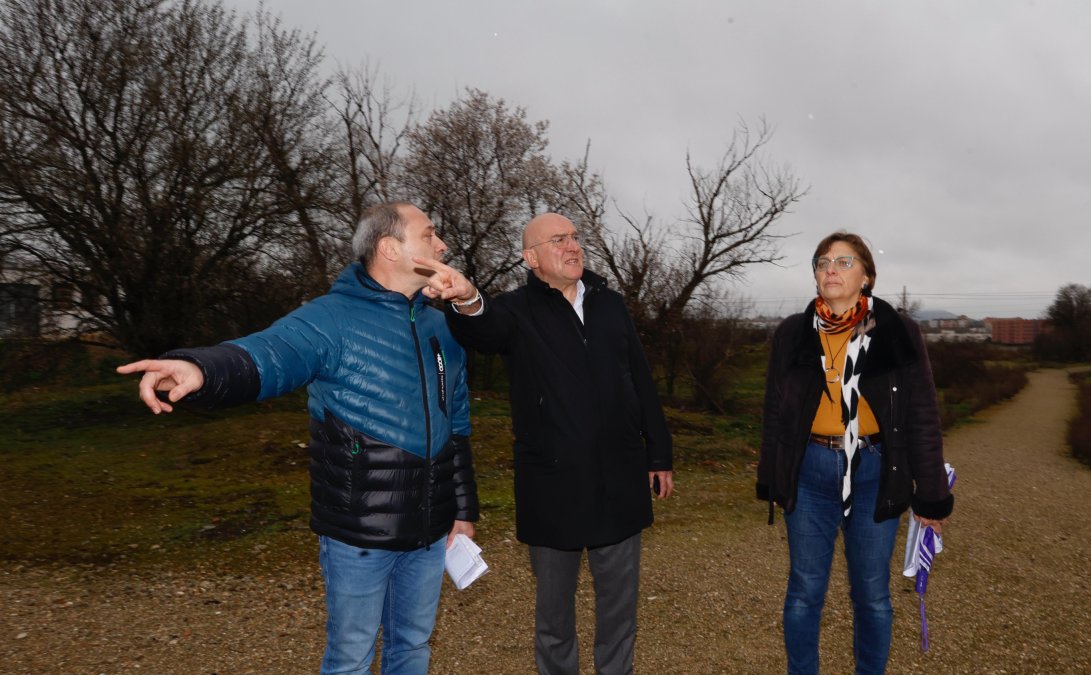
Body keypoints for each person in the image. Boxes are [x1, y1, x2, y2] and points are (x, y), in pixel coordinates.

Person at [116, 202, 478, 675]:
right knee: (350, 659)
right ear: (390, 248)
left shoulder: (442, 327)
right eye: (429, 234)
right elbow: (269, 355)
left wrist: (463, 510)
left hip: (431, 531)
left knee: (412, 647)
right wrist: (201, 369)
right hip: (359, 533)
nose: (442, 245)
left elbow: (457, 425)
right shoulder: (331, 318)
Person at [414, 212, 673, 675]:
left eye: (574, 237)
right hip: (553, 486)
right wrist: (467, 298)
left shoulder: (610, 304)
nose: (573, 246)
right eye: (558, 240)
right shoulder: (515, 310)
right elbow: (483, 331)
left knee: (620, 608)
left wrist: (659, 452)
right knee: (555, 615)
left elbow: (639, 379)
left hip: (620, 479)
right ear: (531, 258)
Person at [756, 231, 953, 674]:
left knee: (872, 594)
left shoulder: (894, 331)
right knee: (804, 590)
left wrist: (931, 495)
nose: (831, 269)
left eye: (844, 262)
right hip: (809, 471)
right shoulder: (794, 333)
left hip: (875, 473)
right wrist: (773, 477)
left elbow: (922, 413)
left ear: (866, 276)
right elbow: (775, 411)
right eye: (822, 262)